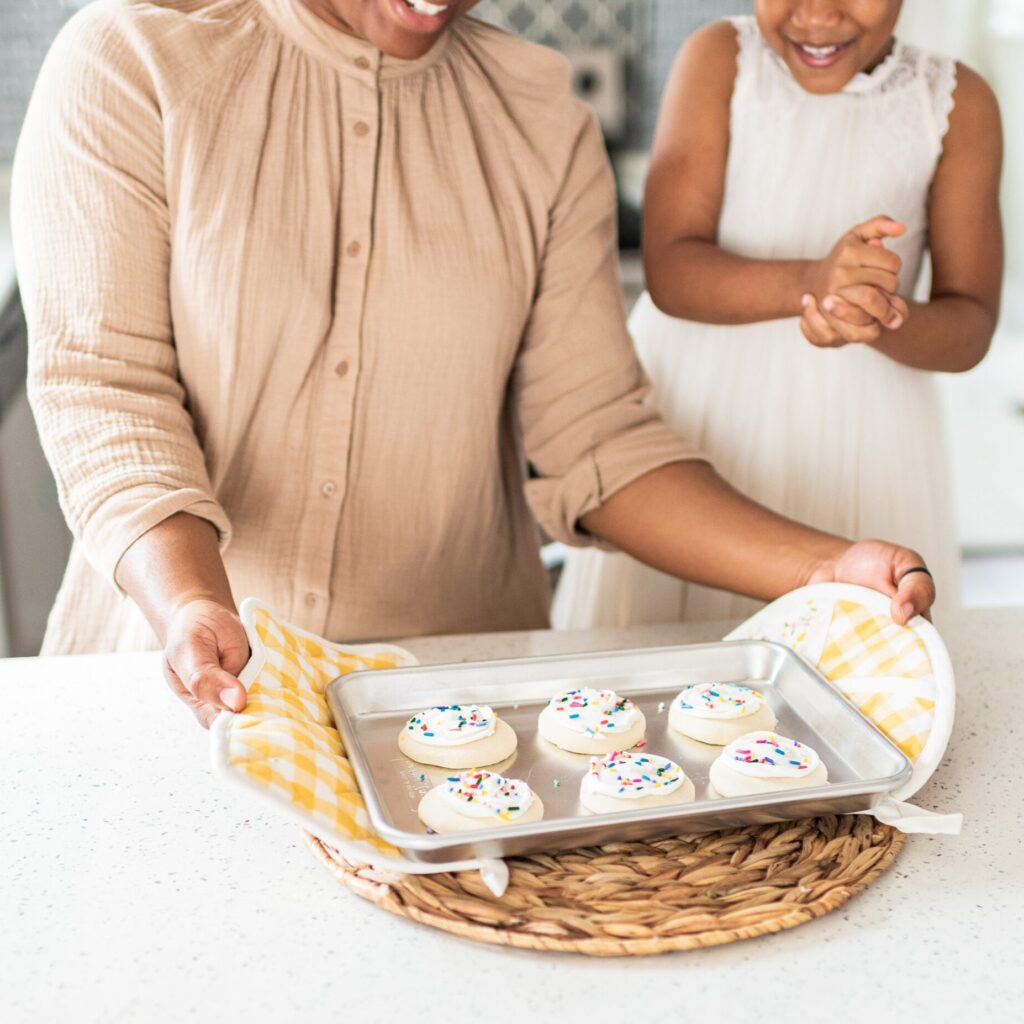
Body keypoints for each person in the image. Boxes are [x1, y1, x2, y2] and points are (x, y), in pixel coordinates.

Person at [13, 0, 935, 730]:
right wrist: (190, 608)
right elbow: (107, 387)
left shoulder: (541, 121)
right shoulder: (134, 62)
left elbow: (598, 439)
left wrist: (824, 568)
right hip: (166, 686)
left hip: (451, 716)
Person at [554, 0, 1002, 630]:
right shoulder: (718, 59)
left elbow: (971, 326)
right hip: (699, 420)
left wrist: (874, 316)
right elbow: (671, 271)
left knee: (852, 661)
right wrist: (813, 284)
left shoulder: (957, 104)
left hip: (867, 435)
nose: (816, 14)